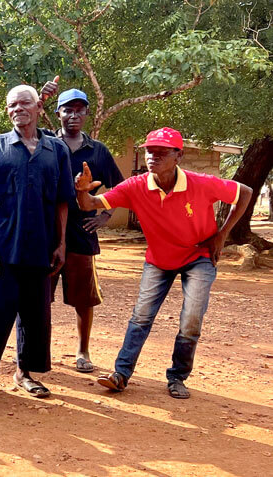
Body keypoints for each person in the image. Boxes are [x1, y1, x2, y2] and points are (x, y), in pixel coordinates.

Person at [75, 127, 252, 399]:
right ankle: (121, 374)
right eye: (149, 151)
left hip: (198, 256)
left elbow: (245, 192)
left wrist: (222, 235)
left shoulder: (200, 183)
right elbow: (90, 204)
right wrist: (81, 191)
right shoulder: (136, 186)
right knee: (141, 316)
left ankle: (177, 377)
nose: (152, 157)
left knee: (191, 319)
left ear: (177, 156)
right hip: (159, 259)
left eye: (161, 152)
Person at [0, 85, 74, 402]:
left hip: (41, 245)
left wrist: (62, 243)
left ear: (39, 106)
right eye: (12, 105)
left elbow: (62, 201)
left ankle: (24, 373)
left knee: (34, 312)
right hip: (0, 247)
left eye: (24, 103)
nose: (18, 109)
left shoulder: (56, 150)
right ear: (7, 111)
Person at [48, 88, 125, 373]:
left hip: (81, 232)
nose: (74, 115)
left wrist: (105, 216)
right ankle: (40, 349)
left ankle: (83, 351)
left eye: (80, 110)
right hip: (47, 232)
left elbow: (119, 187)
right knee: (42, 294)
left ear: (87, 113)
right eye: (68, 110)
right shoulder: (46, 144)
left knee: (83, 297)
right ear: (59, 113)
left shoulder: (98, 151)